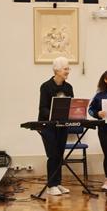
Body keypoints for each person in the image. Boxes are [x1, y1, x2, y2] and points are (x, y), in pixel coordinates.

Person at [38, 56, 73, 196]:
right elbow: (43, 108)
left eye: (68, 69)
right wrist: (55, 114)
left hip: (62, 126)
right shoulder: (46, 86)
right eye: (65, 69)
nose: (68, 71)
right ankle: (51, 185)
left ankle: (57, 183)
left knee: (59, 155)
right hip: (48, 126)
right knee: (52, 155)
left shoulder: (68, 87)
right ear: (57, 70)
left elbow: (71, 106)